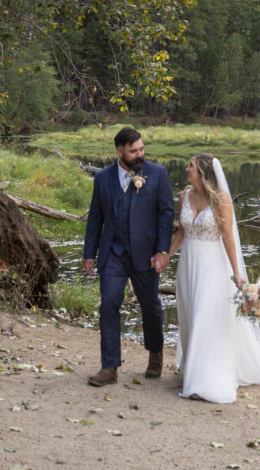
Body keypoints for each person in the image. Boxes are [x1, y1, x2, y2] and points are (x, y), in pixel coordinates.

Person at [164, 152, 260, 404]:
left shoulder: (222, 200)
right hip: (188, 265)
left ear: (203, 173)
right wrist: (166, 257)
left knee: (206, 317)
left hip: (212, 267)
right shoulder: (184, 197)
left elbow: (229, 238)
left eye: (191, 166)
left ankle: (206, 381)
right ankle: (194, 369)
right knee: (190, 314)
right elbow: (182, 234)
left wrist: (237, 274)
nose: (186, 169)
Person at [83, 126, 174, 387]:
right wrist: (90, 253)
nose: (139, 154)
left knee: (151, 306)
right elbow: (96, 218)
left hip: (146, 254)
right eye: (133, 151)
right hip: (113, 253)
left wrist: (162, 251)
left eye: (142, 149)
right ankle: (109, 367)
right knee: (109, 303)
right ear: (119, 151)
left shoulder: (157, 174)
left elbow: (166, 214)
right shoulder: (102, 178)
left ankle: (155, 354)